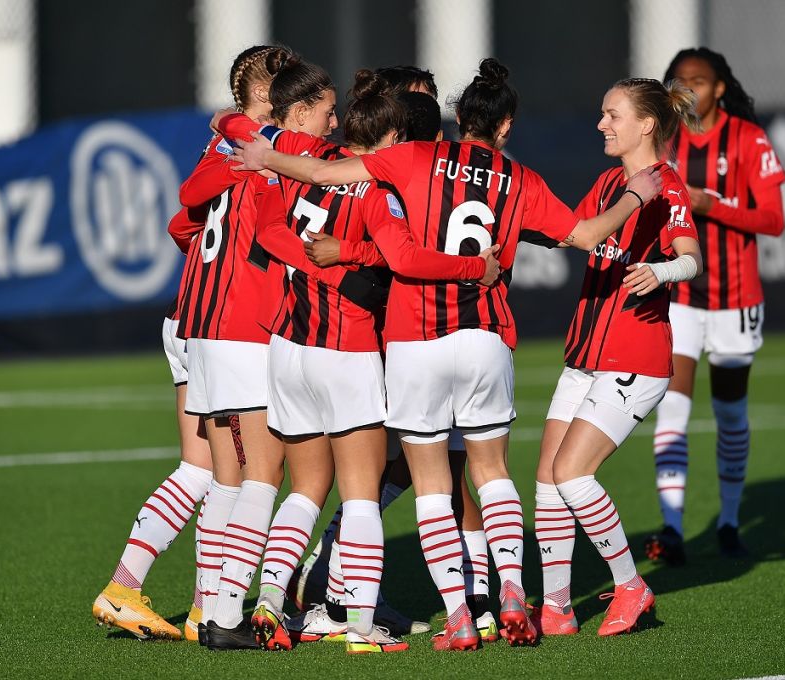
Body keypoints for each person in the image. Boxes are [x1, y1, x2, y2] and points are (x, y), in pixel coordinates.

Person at [231, 58, 664, 650]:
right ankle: (509, 591)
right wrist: (636, 197)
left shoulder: (410, 159)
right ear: (506, 127)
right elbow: (586, 235)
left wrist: (265, 153)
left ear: (457, 119)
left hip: (408, 340)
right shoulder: (523, 179)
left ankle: (456, 617)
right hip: (486, 337)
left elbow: (327, 176)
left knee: (428, 483)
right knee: (490, 473)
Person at [218, 65, 499, 654]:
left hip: (287, 347)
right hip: (345, 349)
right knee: (363, 492)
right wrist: (476, 267)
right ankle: (361, 625)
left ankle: (269, 603)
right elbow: (404, 260)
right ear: (393, 140)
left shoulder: (301, 163)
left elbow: (265, 217)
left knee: (304, 487)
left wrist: (308, 258)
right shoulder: (379, 190)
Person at [295, 79, 499, 643]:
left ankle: (340, 585)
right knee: (418, 472)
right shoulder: (404, 173)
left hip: (388, 339)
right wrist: (476, 269)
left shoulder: (346, 166)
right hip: (405, 337)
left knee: (418, 471)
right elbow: (399, 254)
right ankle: (351, 594)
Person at [531, 78, 702, 638]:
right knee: (547, 482)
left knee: (572, 474)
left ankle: (630, 585)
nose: (602, 124)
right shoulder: (610, 181)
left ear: (646, 125)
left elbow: (691, 259)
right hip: (584, 355)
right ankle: (556, 607)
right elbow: (571, 235)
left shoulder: (669, 188)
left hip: (636, 357)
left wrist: (662, 271)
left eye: (613, 115)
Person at [171, 44, 296, 651]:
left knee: (227, 476)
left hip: (208, 327)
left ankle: (204, 606)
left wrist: (227, 128)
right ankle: (224, 613)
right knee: (263, 475)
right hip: (251, 325)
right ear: (274, 98)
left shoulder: (223, 149)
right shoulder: (275, 154)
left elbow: (182, 215)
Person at [644, 48, 785, 566]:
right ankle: (673, 528)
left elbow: (773, 220)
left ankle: (728, 522)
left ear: (719, 88)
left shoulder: (748, 139)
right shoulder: (663, 140)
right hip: (680, 295)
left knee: (730, 415)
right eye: (679, 82)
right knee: (672, 409)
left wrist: (714, 206)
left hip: (735, 300)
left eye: (699, 81)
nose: (689, 90)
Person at [90, 238, 213, 642]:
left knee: (200, 469)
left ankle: (135, 590)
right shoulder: (277, 177)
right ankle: (205, 609)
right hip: (221, 325)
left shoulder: (218, 173)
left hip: (183, 316)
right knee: (238, 475)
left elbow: (179, 226)